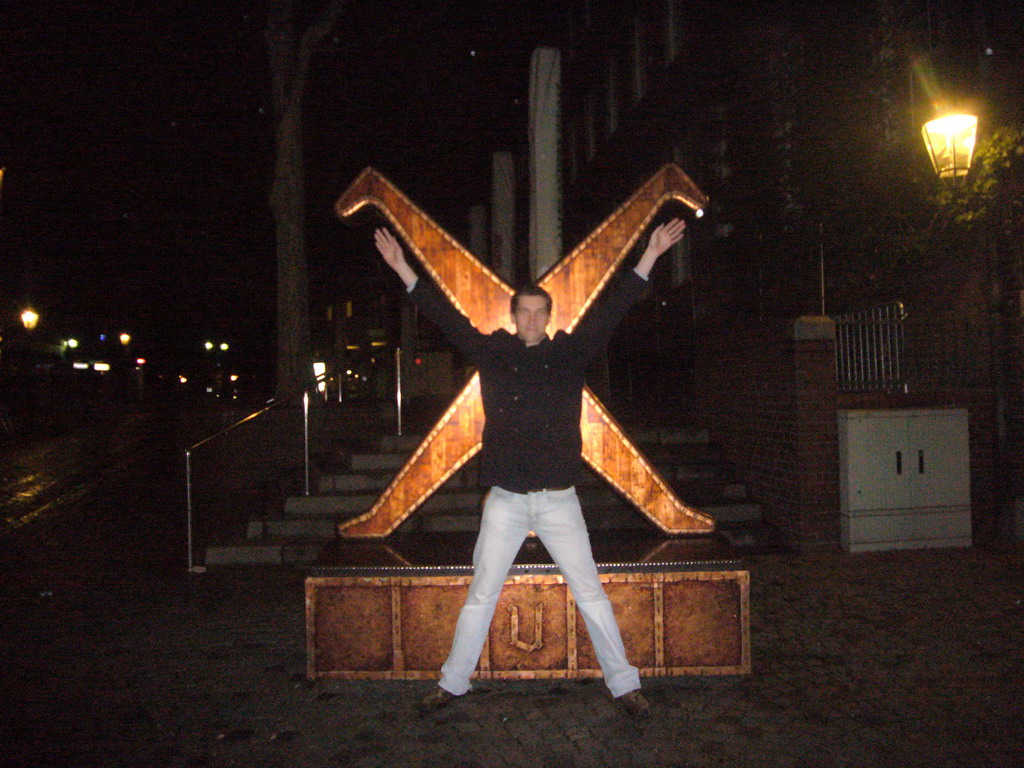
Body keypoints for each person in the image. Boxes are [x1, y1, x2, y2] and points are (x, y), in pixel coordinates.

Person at [374, 218, 687, 719]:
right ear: (514, 315)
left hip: (560, 500)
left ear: (548, 316)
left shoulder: (569, 354)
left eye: (541, 312)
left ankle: (625, 684)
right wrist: (404, 270)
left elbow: (614, 310)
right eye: (526, 311)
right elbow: (447, 318)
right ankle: (453, 683)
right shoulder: (493, 353)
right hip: (506, 501)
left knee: (590, 591)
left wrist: (649, 253)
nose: (534, 319)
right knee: (481, 593)